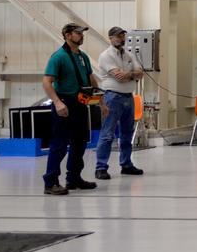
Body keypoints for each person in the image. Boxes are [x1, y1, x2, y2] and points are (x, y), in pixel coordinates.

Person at [40, 23, 99, 195]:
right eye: (78, 33)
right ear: (67, 35)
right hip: (65, 103)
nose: (82, 35)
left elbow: (90, 78)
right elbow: (47, 82)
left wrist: (100, 101)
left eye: (82, 33)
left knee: (79, 143)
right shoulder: (58, 57)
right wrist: (57, 102)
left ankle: (73, 178)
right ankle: (50, 183)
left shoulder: (83, 57)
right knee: (59, 144)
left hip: (81, 102)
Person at [92, 26, 144, 180]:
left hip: (129, 97)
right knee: (107, 134)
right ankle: (101, 167)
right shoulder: (106, 56)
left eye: (122, 36)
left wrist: (130, 75)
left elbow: (140, 73)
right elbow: (119, 77)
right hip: (112, 98)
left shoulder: (128, 54)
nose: (121, 38)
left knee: (127, 133)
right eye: (118, 36)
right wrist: (132, 74)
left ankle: (126, 164)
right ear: (110, 38)